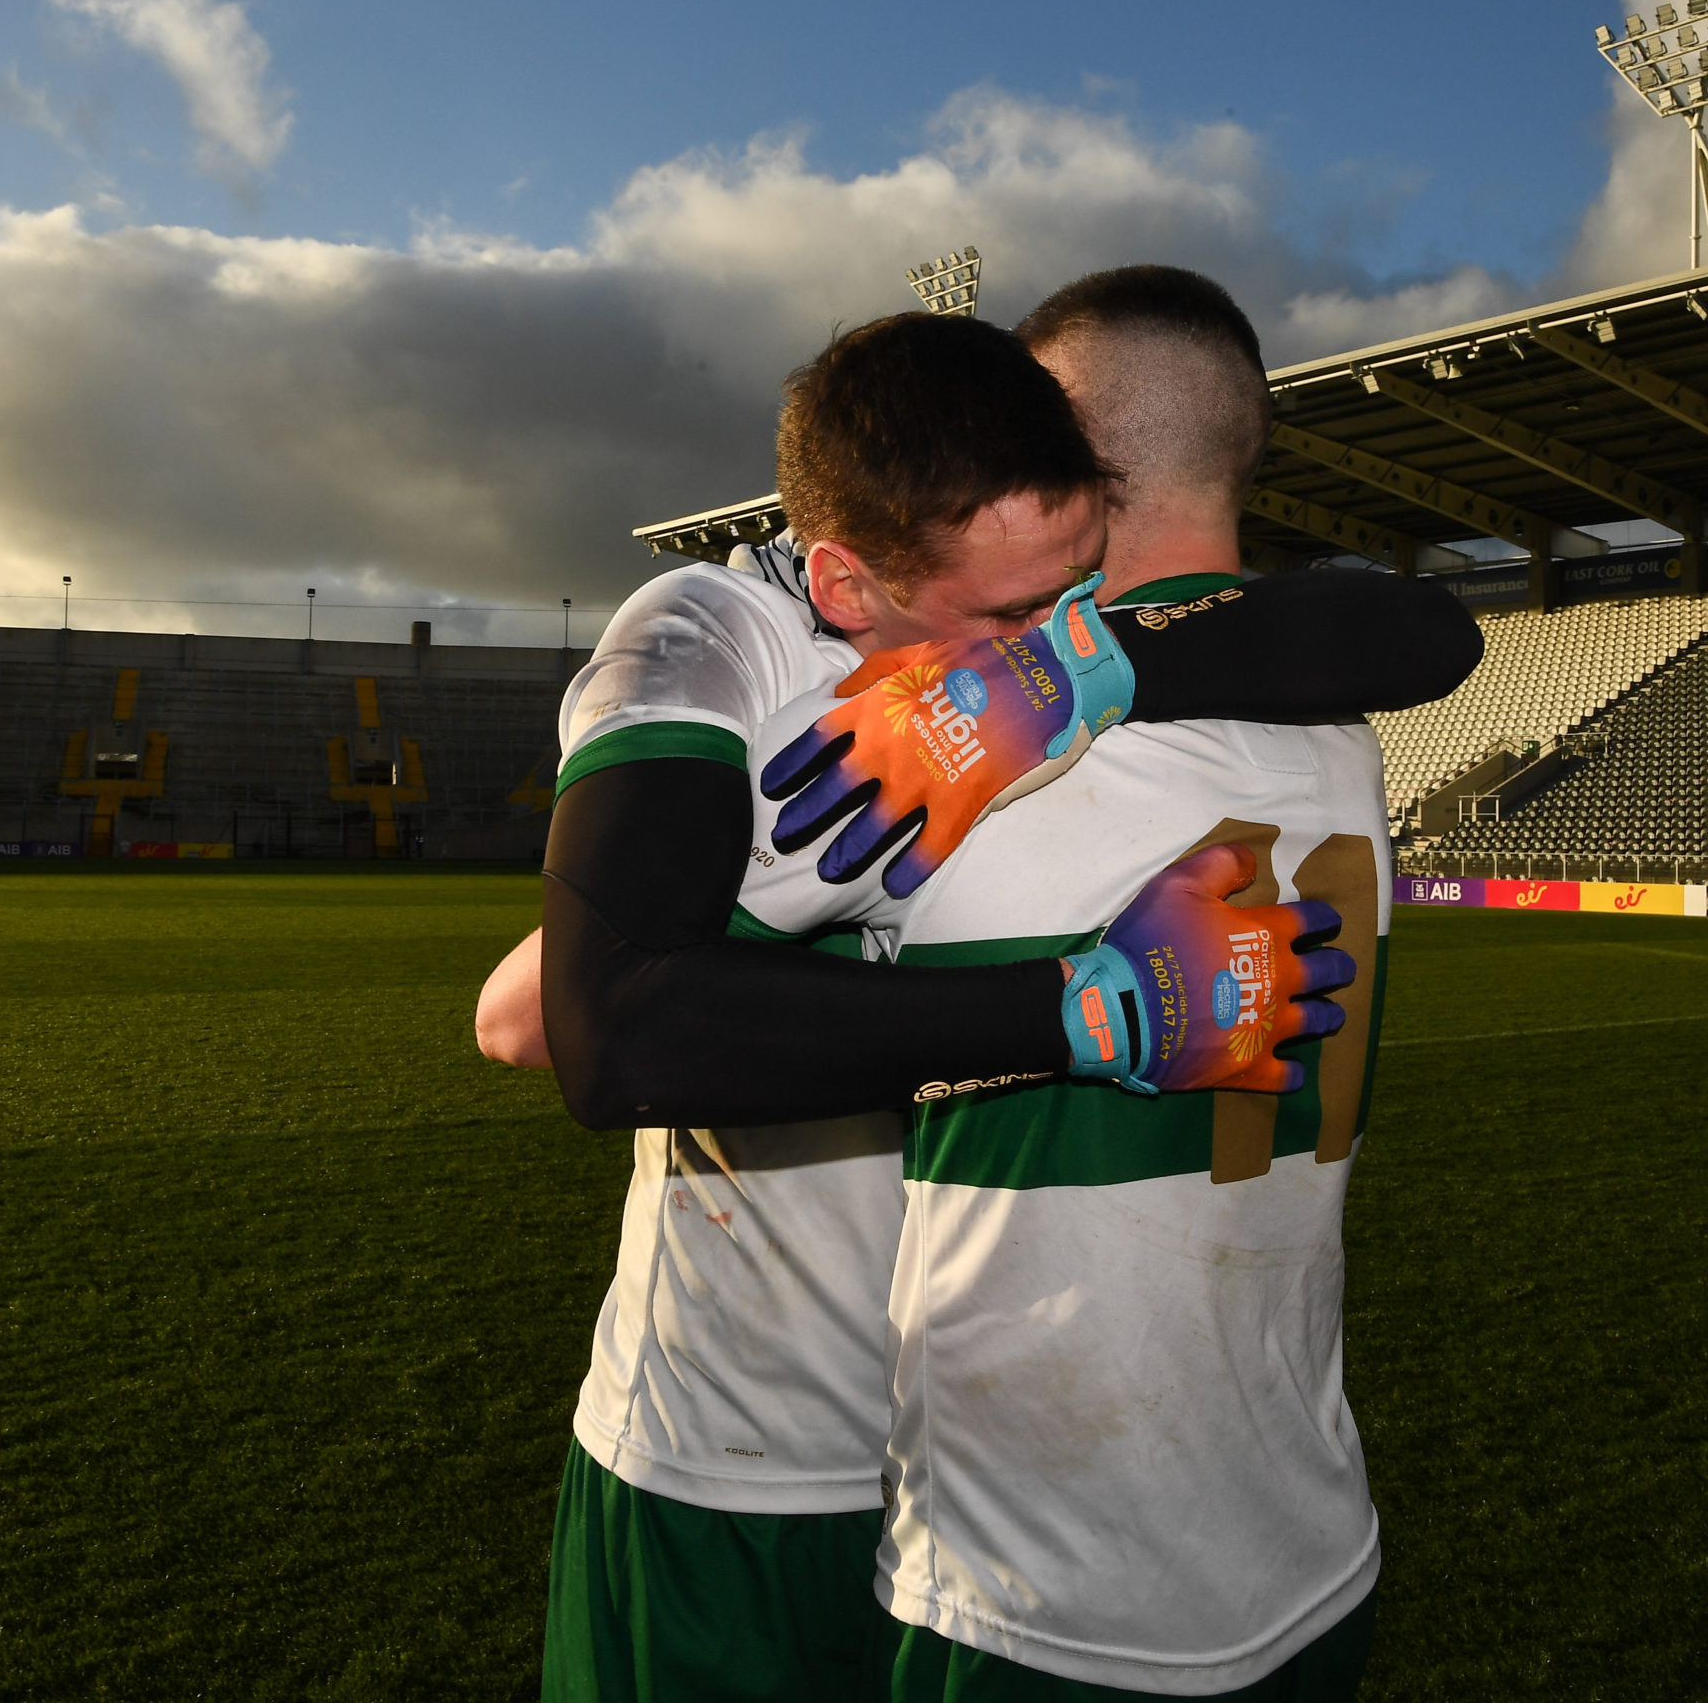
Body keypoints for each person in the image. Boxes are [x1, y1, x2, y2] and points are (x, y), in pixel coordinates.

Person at [481, 308, 1480, 1700]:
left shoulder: (1035, 674)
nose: (1057, 626)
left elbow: (1418, 624)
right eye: (1022, 612)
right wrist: (1072, 1013)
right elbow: (557, 1023)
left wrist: (1073, 669)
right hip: (744, 1437)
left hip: (951, 1468)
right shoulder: (724, 641)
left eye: (1078, 590)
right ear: (853, 580)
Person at [748, 267, 1396, 1698]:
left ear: (1067, 458)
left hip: (1047, 1598)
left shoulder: (954, 751)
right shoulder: (1344, 736)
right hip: (1309, 1548)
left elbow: (565, 1006)